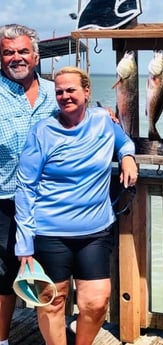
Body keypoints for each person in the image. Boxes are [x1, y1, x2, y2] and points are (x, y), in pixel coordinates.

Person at [14, 66, 138, 345]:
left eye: (71, 89)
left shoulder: (103, 121)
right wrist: (24, 244)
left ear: (86, 91)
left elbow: (124, 141)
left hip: (95, 232)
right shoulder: (42, 131)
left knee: (96, 301)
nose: (65, 96)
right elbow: (25, 188)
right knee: (51, 302)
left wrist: (128, 156)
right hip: (49, 232)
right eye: (59, 91)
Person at [0, 24, 58, 345]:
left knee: (48, 273)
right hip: (4, 200)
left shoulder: (54, 92)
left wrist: (108, 117)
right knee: (3, 275)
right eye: (8, 52)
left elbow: (80, 120)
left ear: (36, 56)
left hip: (46, 201)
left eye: (23, 51)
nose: (16, 58)